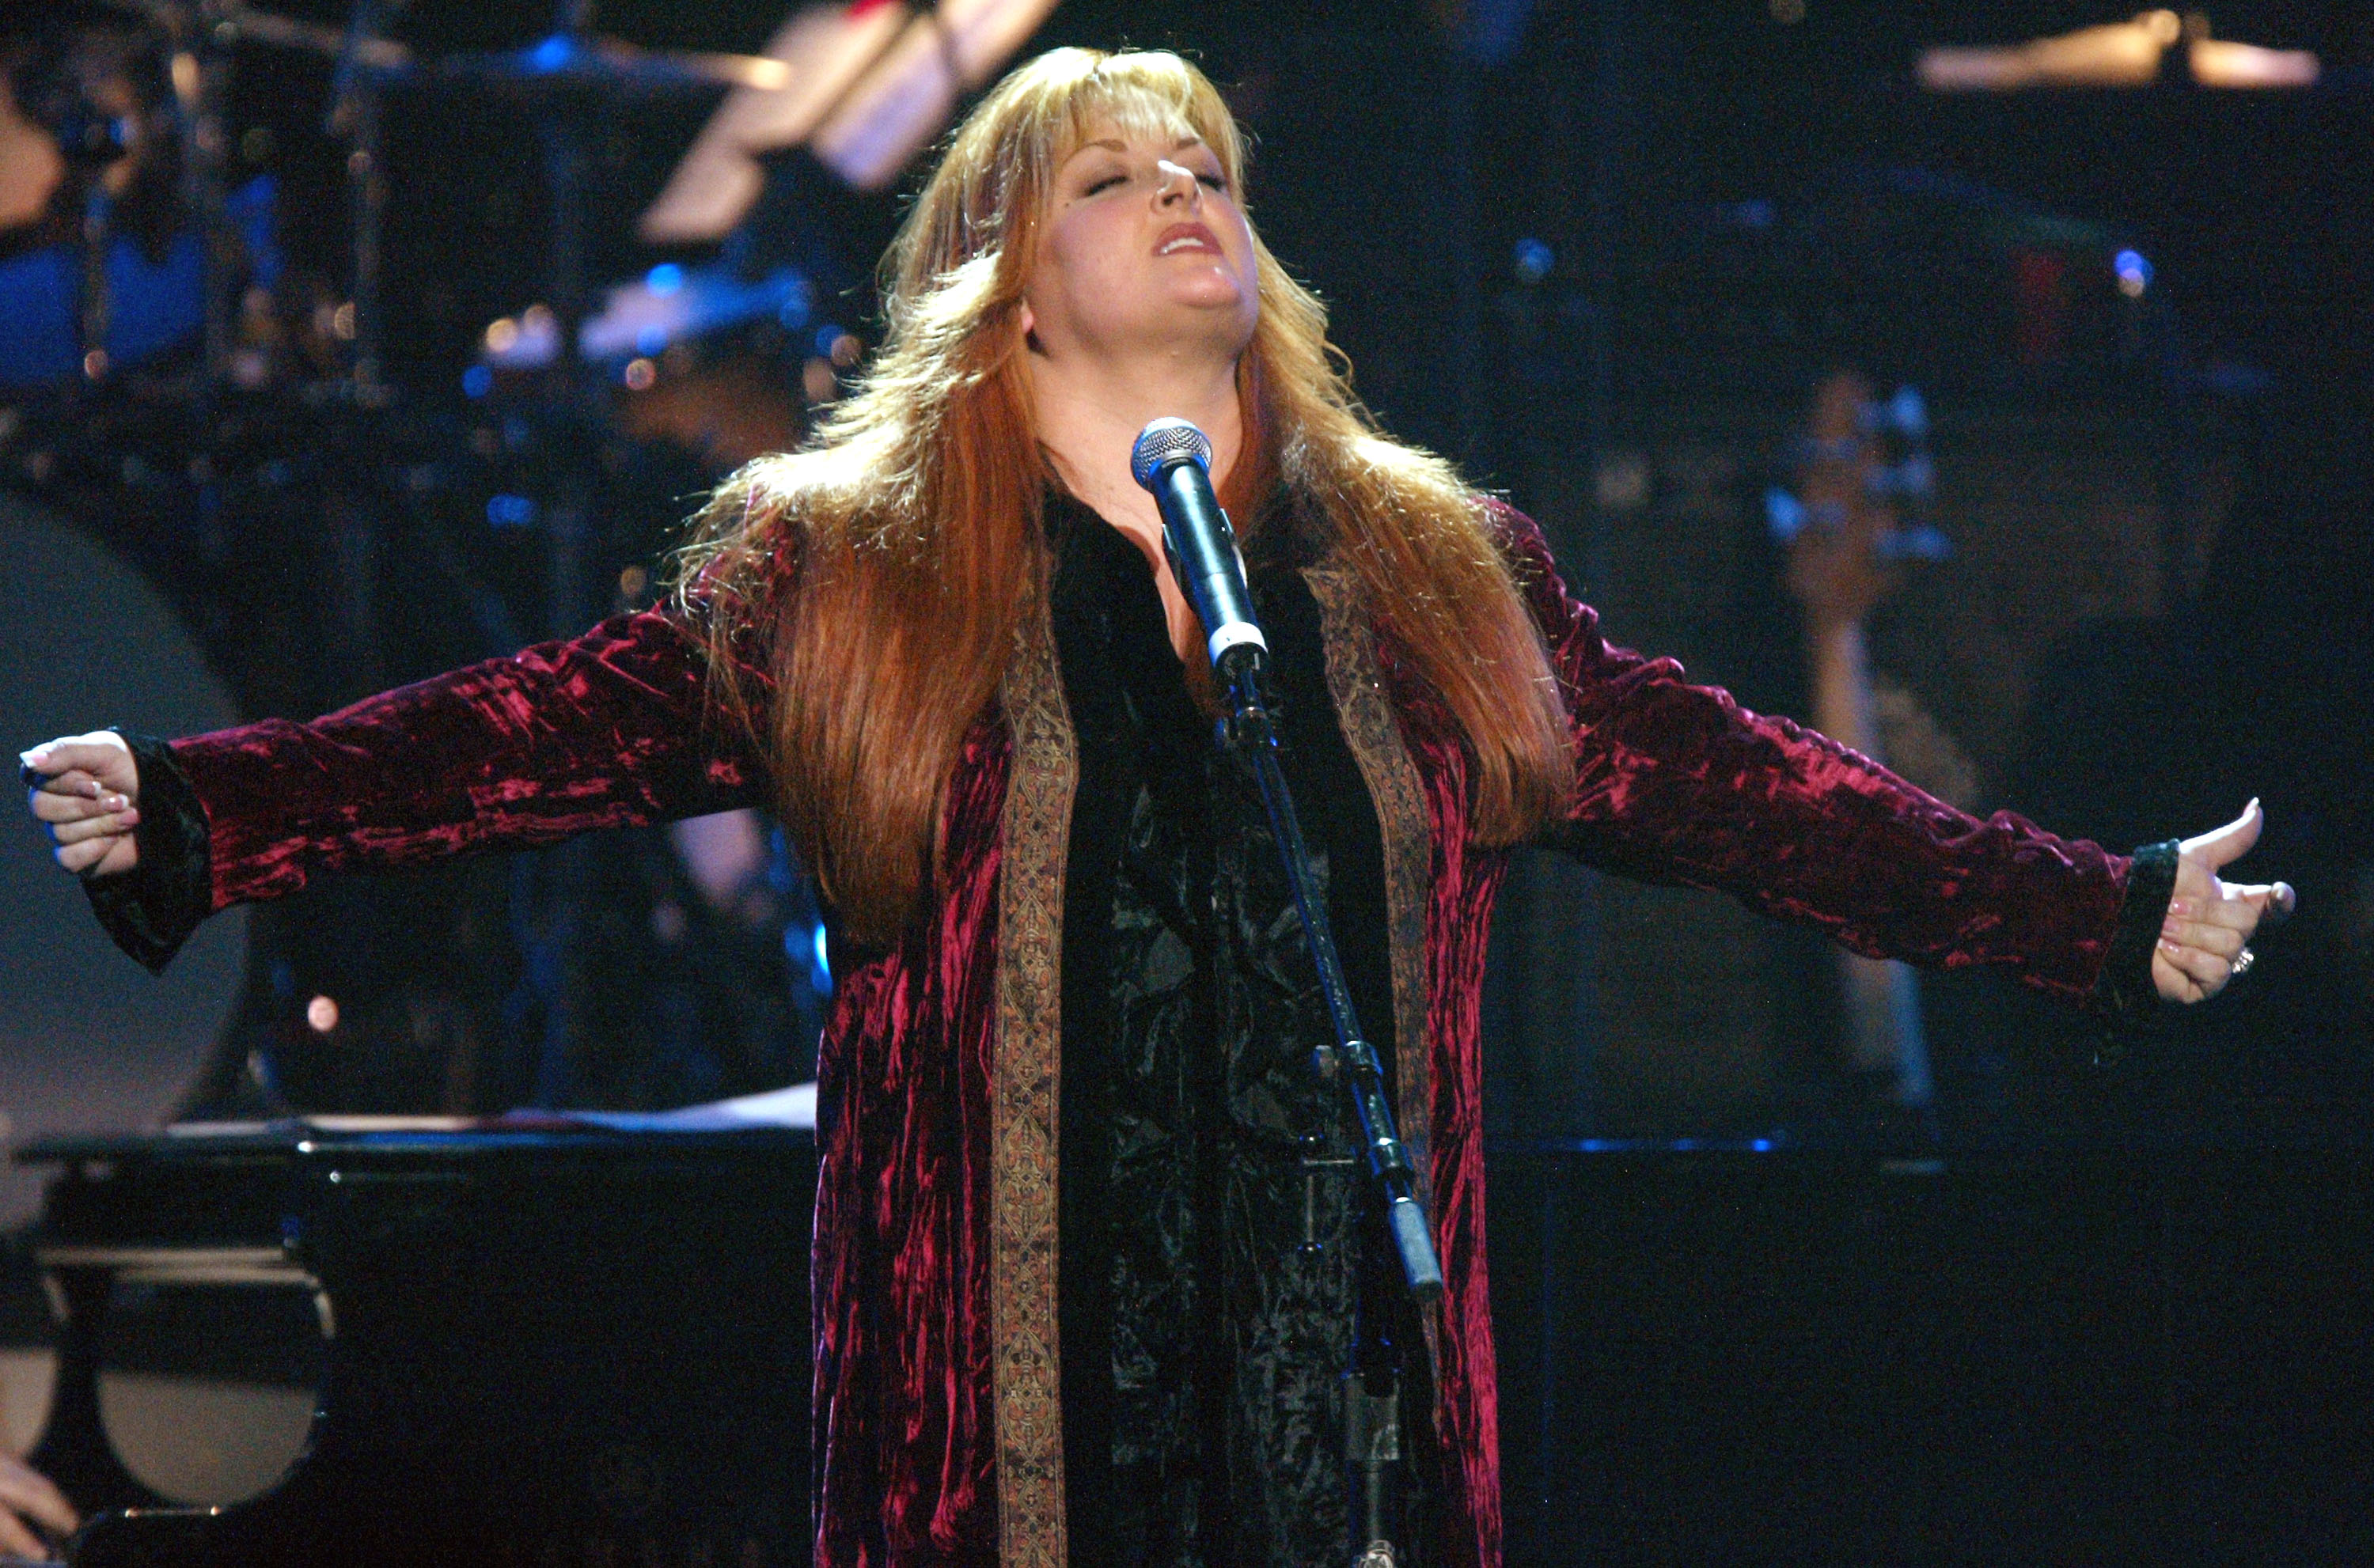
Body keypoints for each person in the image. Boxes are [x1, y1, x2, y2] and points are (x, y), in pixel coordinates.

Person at [21, 47, 2288, 1568]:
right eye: (1115, 177)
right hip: (993, 1468)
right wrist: (210, 805)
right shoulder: (853, 575)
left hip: (1351, 1441)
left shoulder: (1430, 573)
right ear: (1006, 296)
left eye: (1206, 167)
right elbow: (537, 728)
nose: (1186, 193)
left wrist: (2094, 911)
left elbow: (1750, 789)